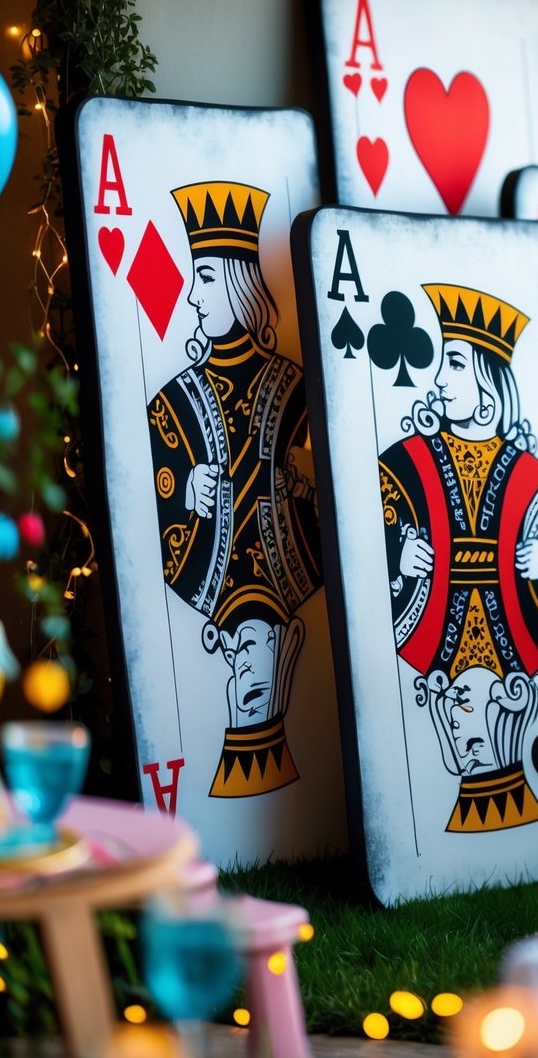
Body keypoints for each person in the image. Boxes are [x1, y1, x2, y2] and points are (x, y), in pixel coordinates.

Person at [147, 181, 322, 797]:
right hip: (218, 591)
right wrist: (183, 496)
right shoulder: (171, 401)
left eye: (205, 279)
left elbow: (331, 509)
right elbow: (151, 504)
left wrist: (305, 483)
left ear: (241, 284)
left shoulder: (300, 388)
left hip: (281, 592)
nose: (193, 297)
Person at [379, 283, 538, 832]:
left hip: (511, 631)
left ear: (488, 386)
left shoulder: (531, 473)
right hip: (436, 632)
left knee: (491, 708)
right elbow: (372, 537)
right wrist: (400, 557)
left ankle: (503, 790)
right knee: (460, 704)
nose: (437, 379)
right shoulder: (406, 460)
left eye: (454, 364)